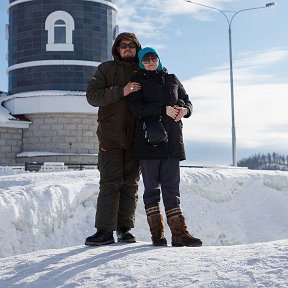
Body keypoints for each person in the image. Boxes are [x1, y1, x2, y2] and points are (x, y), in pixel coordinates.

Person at [128, 47, 202, 247]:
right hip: (148, 143)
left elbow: (188, 101)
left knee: (172, 189)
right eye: (146, 59)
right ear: (141, 62)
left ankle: (179, 235)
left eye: (154, 58)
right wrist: (164, 110)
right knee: (151, 189)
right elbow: (136, 109)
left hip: (172, 142)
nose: (150, 61)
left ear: (159, 59)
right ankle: (157, 236)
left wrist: (185, 110)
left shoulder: (172, 79)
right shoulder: (137, 82)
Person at [85, 32, 142, 246]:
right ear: (116, 49)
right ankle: (104, 232)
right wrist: (122, 91)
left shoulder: (143, 70)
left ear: (137, 48)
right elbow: (93, 97)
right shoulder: (105, 69)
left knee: (130, 185)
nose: (127, 49)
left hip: (136, 139)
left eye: (131, 46)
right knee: (109, 183)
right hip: (110, 138)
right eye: (122, 45)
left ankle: (124, 230)